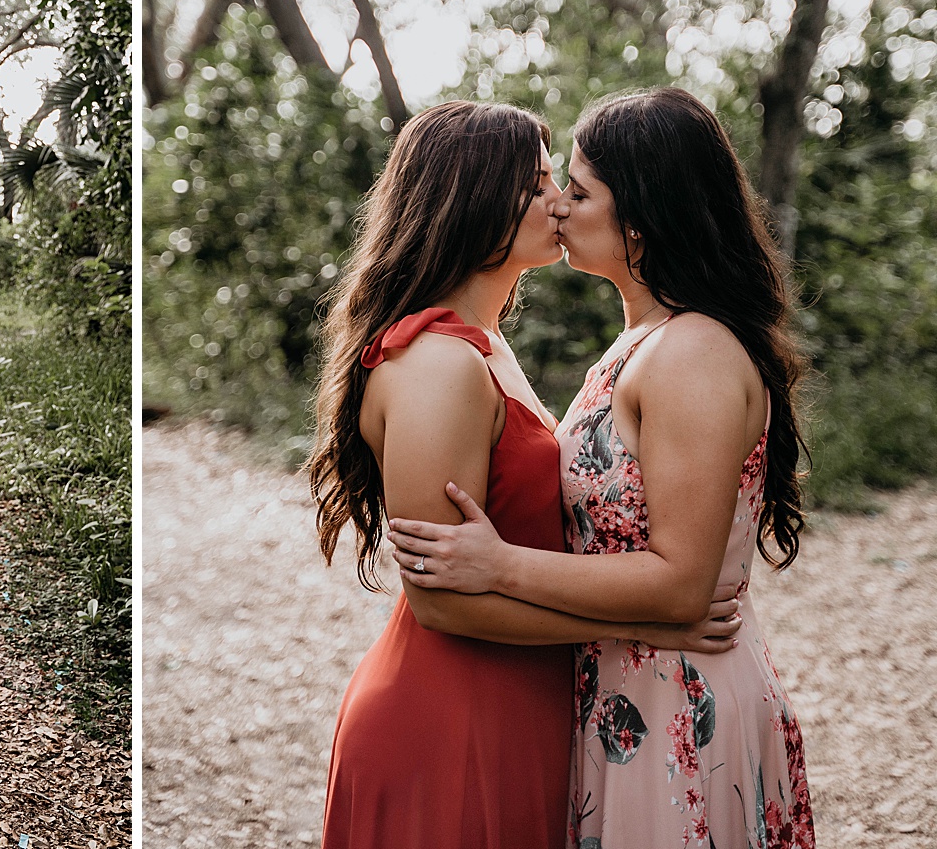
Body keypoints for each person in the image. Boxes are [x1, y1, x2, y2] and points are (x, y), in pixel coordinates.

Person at [386, 87, 813, 848]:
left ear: (640, 224)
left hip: (683, 698)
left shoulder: (693, 351)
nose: (558, 206)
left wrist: (499, 564)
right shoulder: (639, 344)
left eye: (577, 191)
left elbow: (683, 580)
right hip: (627, 691)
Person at [310, 100, 741, 849]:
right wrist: (641, 622)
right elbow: (442, 603)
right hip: (453, 713)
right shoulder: (437, 363)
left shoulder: (484, 343)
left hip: (522, 696)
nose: (558, 201)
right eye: (538, 183)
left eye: (563, 183)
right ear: (474, 199)